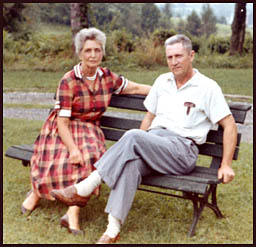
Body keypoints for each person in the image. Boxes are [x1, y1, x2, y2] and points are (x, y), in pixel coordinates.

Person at [51, 34, 237, 243]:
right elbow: (149, 118)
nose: (174, 62)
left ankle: (84, 187)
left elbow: (229, 125)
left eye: (179, 56)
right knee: (130, 164)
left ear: (191, 55)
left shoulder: (207, 87)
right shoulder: (162, 81)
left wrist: (226, 164)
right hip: (154, 145)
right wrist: (139, 145)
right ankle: (112, 230)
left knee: (133, 136)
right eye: (169, 57)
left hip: (181, 151)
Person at [21, 27, 151, 235]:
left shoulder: (107, 77)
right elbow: (62, 122)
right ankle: (37, 193)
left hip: (90, 127)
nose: (92, 55)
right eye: (88, 50)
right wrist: (72, 148)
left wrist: (162, 88)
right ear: (80, 53)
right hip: (63, 126)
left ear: (102, 52)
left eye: (97, 50)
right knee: (60, 157)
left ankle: (72, 213)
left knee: (92, 157)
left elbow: (134, 88)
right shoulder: (69, 80)